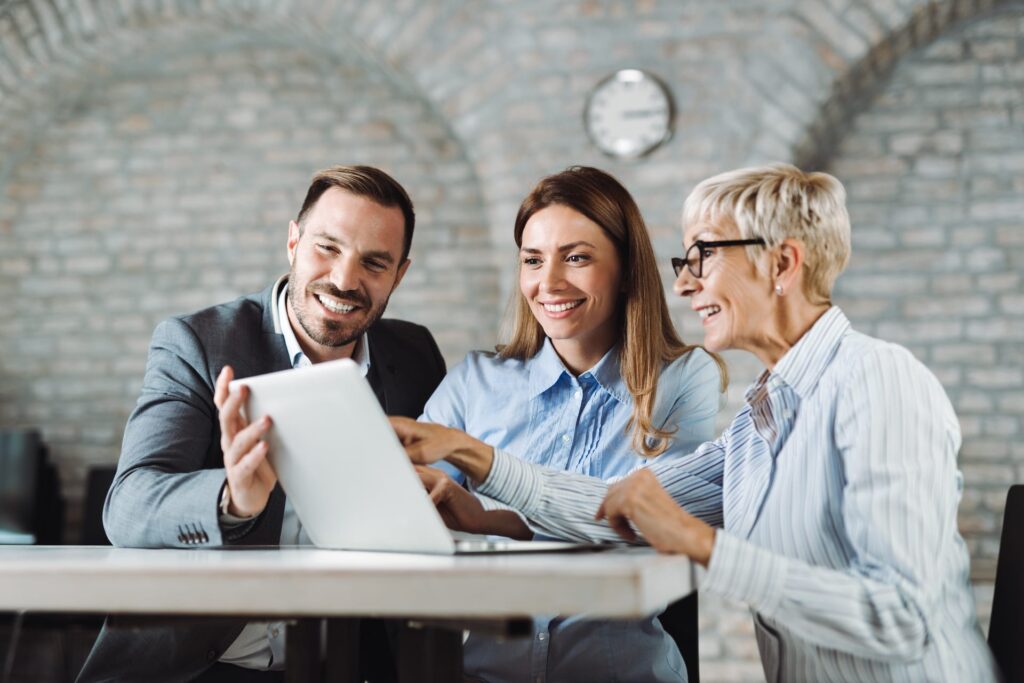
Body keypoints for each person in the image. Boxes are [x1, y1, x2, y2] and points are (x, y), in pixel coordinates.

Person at [393, 164, 997, 682]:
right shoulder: (766, 415)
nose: (682, 283)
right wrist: (480, 465)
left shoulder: (877, 379)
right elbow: (619, 507)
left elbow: (902, 617)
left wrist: (705, 545)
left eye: (703, 257)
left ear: (782, 263)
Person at [77, 165, 446, 683]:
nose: (344, 279)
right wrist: (232, 500)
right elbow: (130, 504)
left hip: (351, 666)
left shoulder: (415, 355)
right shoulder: (197, 343)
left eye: (374, 262)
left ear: (399, 274)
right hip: (202, 665)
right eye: (327, 247)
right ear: (293, 242)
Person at [406, 166, 724, 683]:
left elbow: (651, 520)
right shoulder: (476, 382)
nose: (548, 283)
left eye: (576, 258)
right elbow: (404, 509)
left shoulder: (683, 379)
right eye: (533, 260)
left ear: (624, 269)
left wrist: (490, 518)